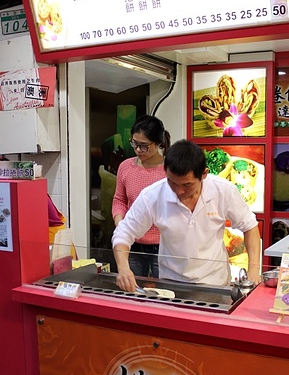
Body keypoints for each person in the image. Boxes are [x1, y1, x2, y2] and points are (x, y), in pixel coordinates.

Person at [113, 139, 261, 291]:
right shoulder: (153, 195)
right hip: (171, 284)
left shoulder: (223, 191)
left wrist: (254, 270)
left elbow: (250, 227)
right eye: (173, 183)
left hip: (216, 284)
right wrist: (124, 268)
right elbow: (124, 233)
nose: (179, 191)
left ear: (204, 174)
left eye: (187, 185)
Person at [112, 115, 171, 278]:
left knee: (166, 293)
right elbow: (120, 200)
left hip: (164, 245)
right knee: (132, 289)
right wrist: (120, 223)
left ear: (159, 143)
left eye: (144, 146)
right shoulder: (126, 167)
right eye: (134, 144)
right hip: (133, 243)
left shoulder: (170, 170)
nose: (138, 150)